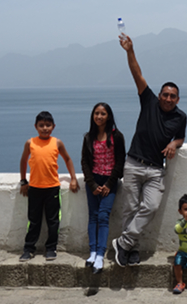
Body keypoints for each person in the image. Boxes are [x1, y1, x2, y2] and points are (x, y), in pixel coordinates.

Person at [112, 34, 187, 267]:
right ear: (159, 95)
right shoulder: (149, 101)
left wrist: (174, 144)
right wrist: (129, 51)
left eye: (172, 96)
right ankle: (129, 249)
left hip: (156, 169)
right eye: (165, 94)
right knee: (130, 209)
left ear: (177, 99)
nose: (168, 98)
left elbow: (181, 138)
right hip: (134, 163)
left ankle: (122, 243)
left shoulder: (180, 117)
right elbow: (137, 73)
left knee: (151, 206)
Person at [19, 111, 79, 262]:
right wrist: (23, 181)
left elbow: (68, 159)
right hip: (34, 188)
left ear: (53, 126)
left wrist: (73, 178)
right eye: (41, 125)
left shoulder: (57, 143)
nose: (45, 128)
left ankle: (51, 248)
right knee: (33, 221)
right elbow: (23, 161)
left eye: (48, 125)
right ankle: (29, 249)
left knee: (53, 221)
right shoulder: (30, 143)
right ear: (35, 126)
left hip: (52, 188)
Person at [81, 102, 126, 274]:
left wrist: (109, 184)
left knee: (103, 216)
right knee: (92, 216)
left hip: (110, 181)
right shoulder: (88, 137)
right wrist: (92, 184)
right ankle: (92, 252)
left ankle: (100, 255)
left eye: (103, 114)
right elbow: (84, 161)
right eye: (96, 113)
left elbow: (120, 161)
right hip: (93, 180)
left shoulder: (117, 136)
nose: (99, 117)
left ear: (109, 116)